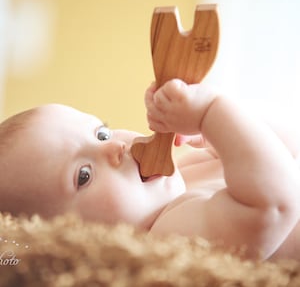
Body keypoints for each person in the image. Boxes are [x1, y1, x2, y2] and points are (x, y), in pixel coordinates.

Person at [0, 79, 299, 261]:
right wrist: (211, 112)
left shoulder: (185, 172)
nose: (113, 147)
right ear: (73, 238)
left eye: (101, 133)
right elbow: (276, 205)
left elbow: (288, 144)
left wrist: (209, 130)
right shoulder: (170, 234)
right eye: (84, 175)